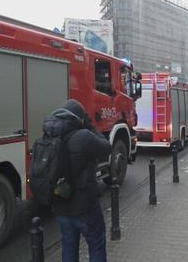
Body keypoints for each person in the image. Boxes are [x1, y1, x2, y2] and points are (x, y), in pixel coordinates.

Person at [45, 99, 112, 262]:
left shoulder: (50, 134)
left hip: (61, 205)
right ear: (79, 118)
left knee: (69, 247)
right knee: (96, 244)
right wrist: (89, 125)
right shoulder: (83, 136)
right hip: (85, 208)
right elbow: (106, 147)